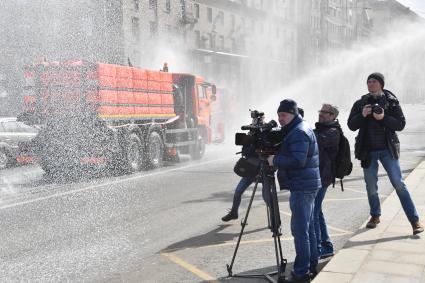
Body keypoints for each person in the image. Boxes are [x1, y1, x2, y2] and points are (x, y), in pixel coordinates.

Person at [347, 72, 424, 234]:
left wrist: (383, 117)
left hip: (387, 150)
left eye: (374, 81)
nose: (370, 84)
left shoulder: (391, 102)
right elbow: (351, 125)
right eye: (368, 82)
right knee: (371, 187)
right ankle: (375, 215)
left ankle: (415, 221)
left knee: (399, 184)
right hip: (368, 151)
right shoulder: (361, 103)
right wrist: (362, 115)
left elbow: (400, 124)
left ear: (381, 84)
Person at [268, 99, 321, 282]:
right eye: (279, 115)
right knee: (308, 229)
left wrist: (274, 160)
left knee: (300, 231)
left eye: (283, 115)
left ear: (293, 113)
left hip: (302, 186)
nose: (280, 119)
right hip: (307, 184)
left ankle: (301, 272)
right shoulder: (299, 127)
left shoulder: (298, 132)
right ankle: (311, 265)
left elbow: (298, 161)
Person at [313, 103, 341, 259]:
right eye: (320, 111)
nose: (321, 114)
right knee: (317, 211)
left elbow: (315, 141)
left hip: (322, 177)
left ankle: (317, 248)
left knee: (314, 212)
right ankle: (326, 245)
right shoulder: (322, 129)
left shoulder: (332, 132)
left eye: (325, 112)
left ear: (333, 116)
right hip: (319, 175)